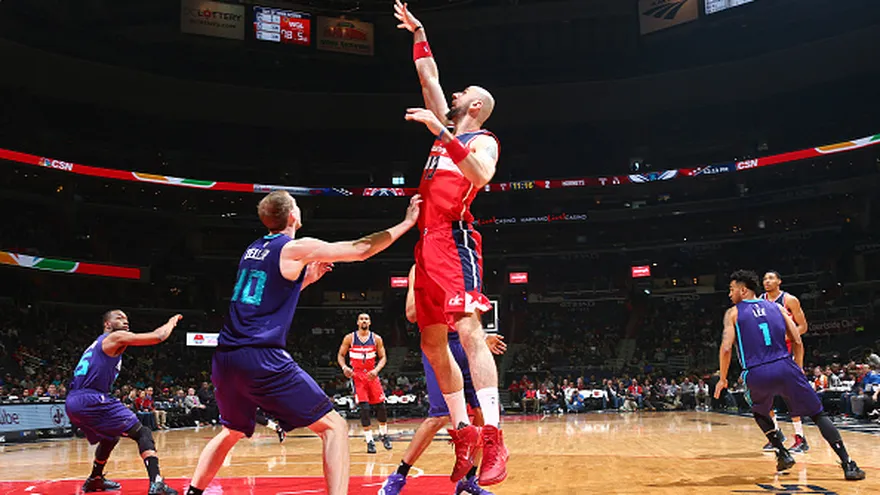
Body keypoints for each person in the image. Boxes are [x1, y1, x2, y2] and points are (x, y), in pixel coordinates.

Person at [185, 190, 421, 495]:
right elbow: (360, 249)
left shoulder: (253, 249)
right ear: (293, 216)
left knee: (231, 431)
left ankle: (193, 492)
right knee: (334, 427)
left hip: (226, 358)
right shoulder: (293, 247)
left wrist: (306, 279)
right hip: (261, 357)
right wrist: (406, 223)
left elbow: (268, 293)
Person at [393, 1, 507, 486]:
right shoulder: (444, 131)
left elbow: (480, 176)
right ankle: (463, 432)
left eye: (463, 94)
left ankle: (495, 437)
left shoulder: (483, 140)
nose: (453, 94)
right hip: (425, 244)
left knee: (467, 328)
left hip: (455, 240)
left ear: (474, 107)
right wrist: (419, 32)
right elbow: (428, 76)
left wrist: (441, 129)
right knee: (432, 341)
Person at [715, 270, 864, 480]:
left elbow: (726, 348)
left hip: (756, 371)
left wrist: (722, 378)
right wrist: (798, 368)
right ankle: (848, 464)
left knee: (761, 413)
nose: (729, 294)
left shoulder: (733, 313)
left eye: (731, 290)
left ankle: (782, 452)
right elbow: (797, 340)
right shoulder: (776, 307)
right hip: (785, 366)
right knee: (818, 414)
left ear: (743, 290)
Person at [380, 265, 506, 495]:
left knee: (480, 415)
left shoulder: (463, 262)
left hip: (465, 344)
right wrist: (443, 294)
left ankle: (469, 480)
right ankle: (399, 475)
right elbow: (411, 312)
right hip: (440, 344)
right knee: (438, 417)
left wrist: (481, 338)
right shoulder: (420, 268)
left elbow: (472, 315)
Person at [65, 310, 182, 494]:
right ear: (107, 324)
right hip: (91, 397)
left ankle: (95, 479)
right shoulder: (114, 337)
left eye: (127, 319)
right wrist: (171, 322)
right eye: (119, 318)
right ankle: (157, 482)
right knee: (142, 432)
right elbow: (159, 336)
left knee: (109, 436)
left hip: (74, 401)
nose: (125, 321)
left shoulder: (96, 344)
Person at [760, 271, 810, 453]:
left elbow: (803, 326)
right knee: (765, 398)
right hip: (767, 355)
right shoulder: (760, 301)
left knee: (790, 397)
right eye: (764, 279)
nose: (767, 281)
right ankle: (777, 434)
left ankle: (800, 438)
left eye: (771, 278)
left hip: (786, 353)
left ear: (779, 281)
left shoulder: (790, 300)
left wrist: (785, 336)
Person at [338, 313, 392, 454]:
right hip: (358, 376)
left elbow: (383, 357)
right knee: (365, 409)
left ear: (370, 322)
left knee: (381, 407)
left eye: (366, 319)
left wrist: (377, 370)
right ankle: (369, 440)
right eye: (361, 319)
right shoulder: (350, 338)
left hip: (372, 375)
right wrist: (344, 367)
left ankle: (383, 434)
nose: (364, 321)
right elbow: (340, 355)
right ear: (357, 322)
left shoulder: (376, 338)